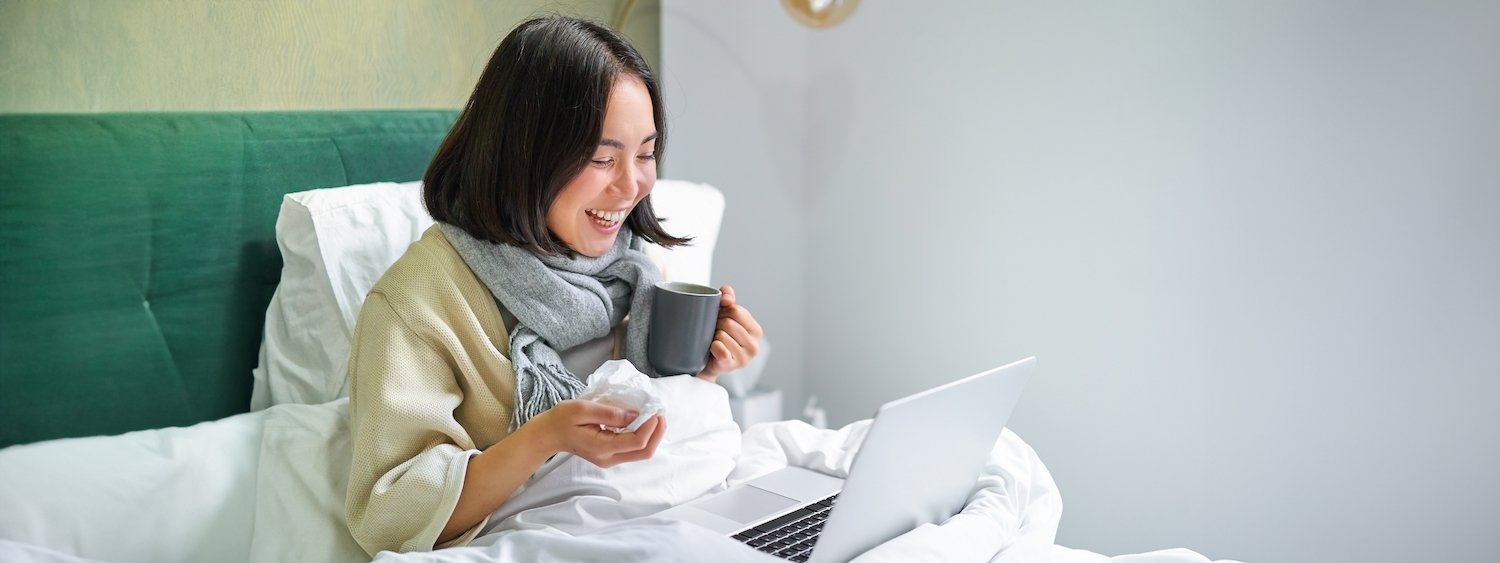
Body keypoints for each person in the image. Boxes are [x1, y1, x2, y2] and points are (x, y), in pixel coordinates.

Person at [343, 16, 764, 556]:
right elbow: (386, 512)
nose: (632, 185)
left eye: (645, 154)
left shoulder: (633, 270)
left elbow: (656, 434)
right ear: (524, 154)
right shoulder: (417, 303)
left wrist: (699, 368)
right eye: (601, 158)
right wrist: (544, 437)